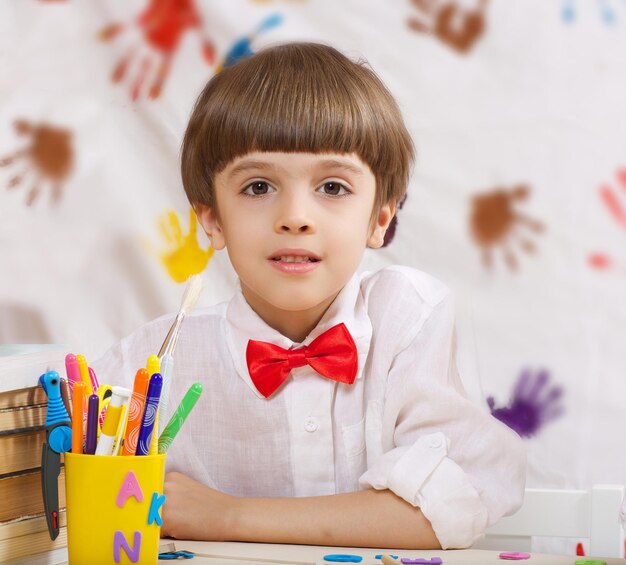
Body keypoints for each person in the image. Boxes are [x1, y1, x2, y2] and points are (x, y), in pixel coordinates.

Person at [93, 42, 525, 550]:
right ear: (211, 219)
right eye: (258, 187)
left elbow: (445, 508)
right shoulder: (156, 359)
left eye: (333, 187)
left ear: (380, 218)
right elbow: (58, 460)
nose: (296, 216)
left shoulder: (408, 315)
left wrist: (225, 516)